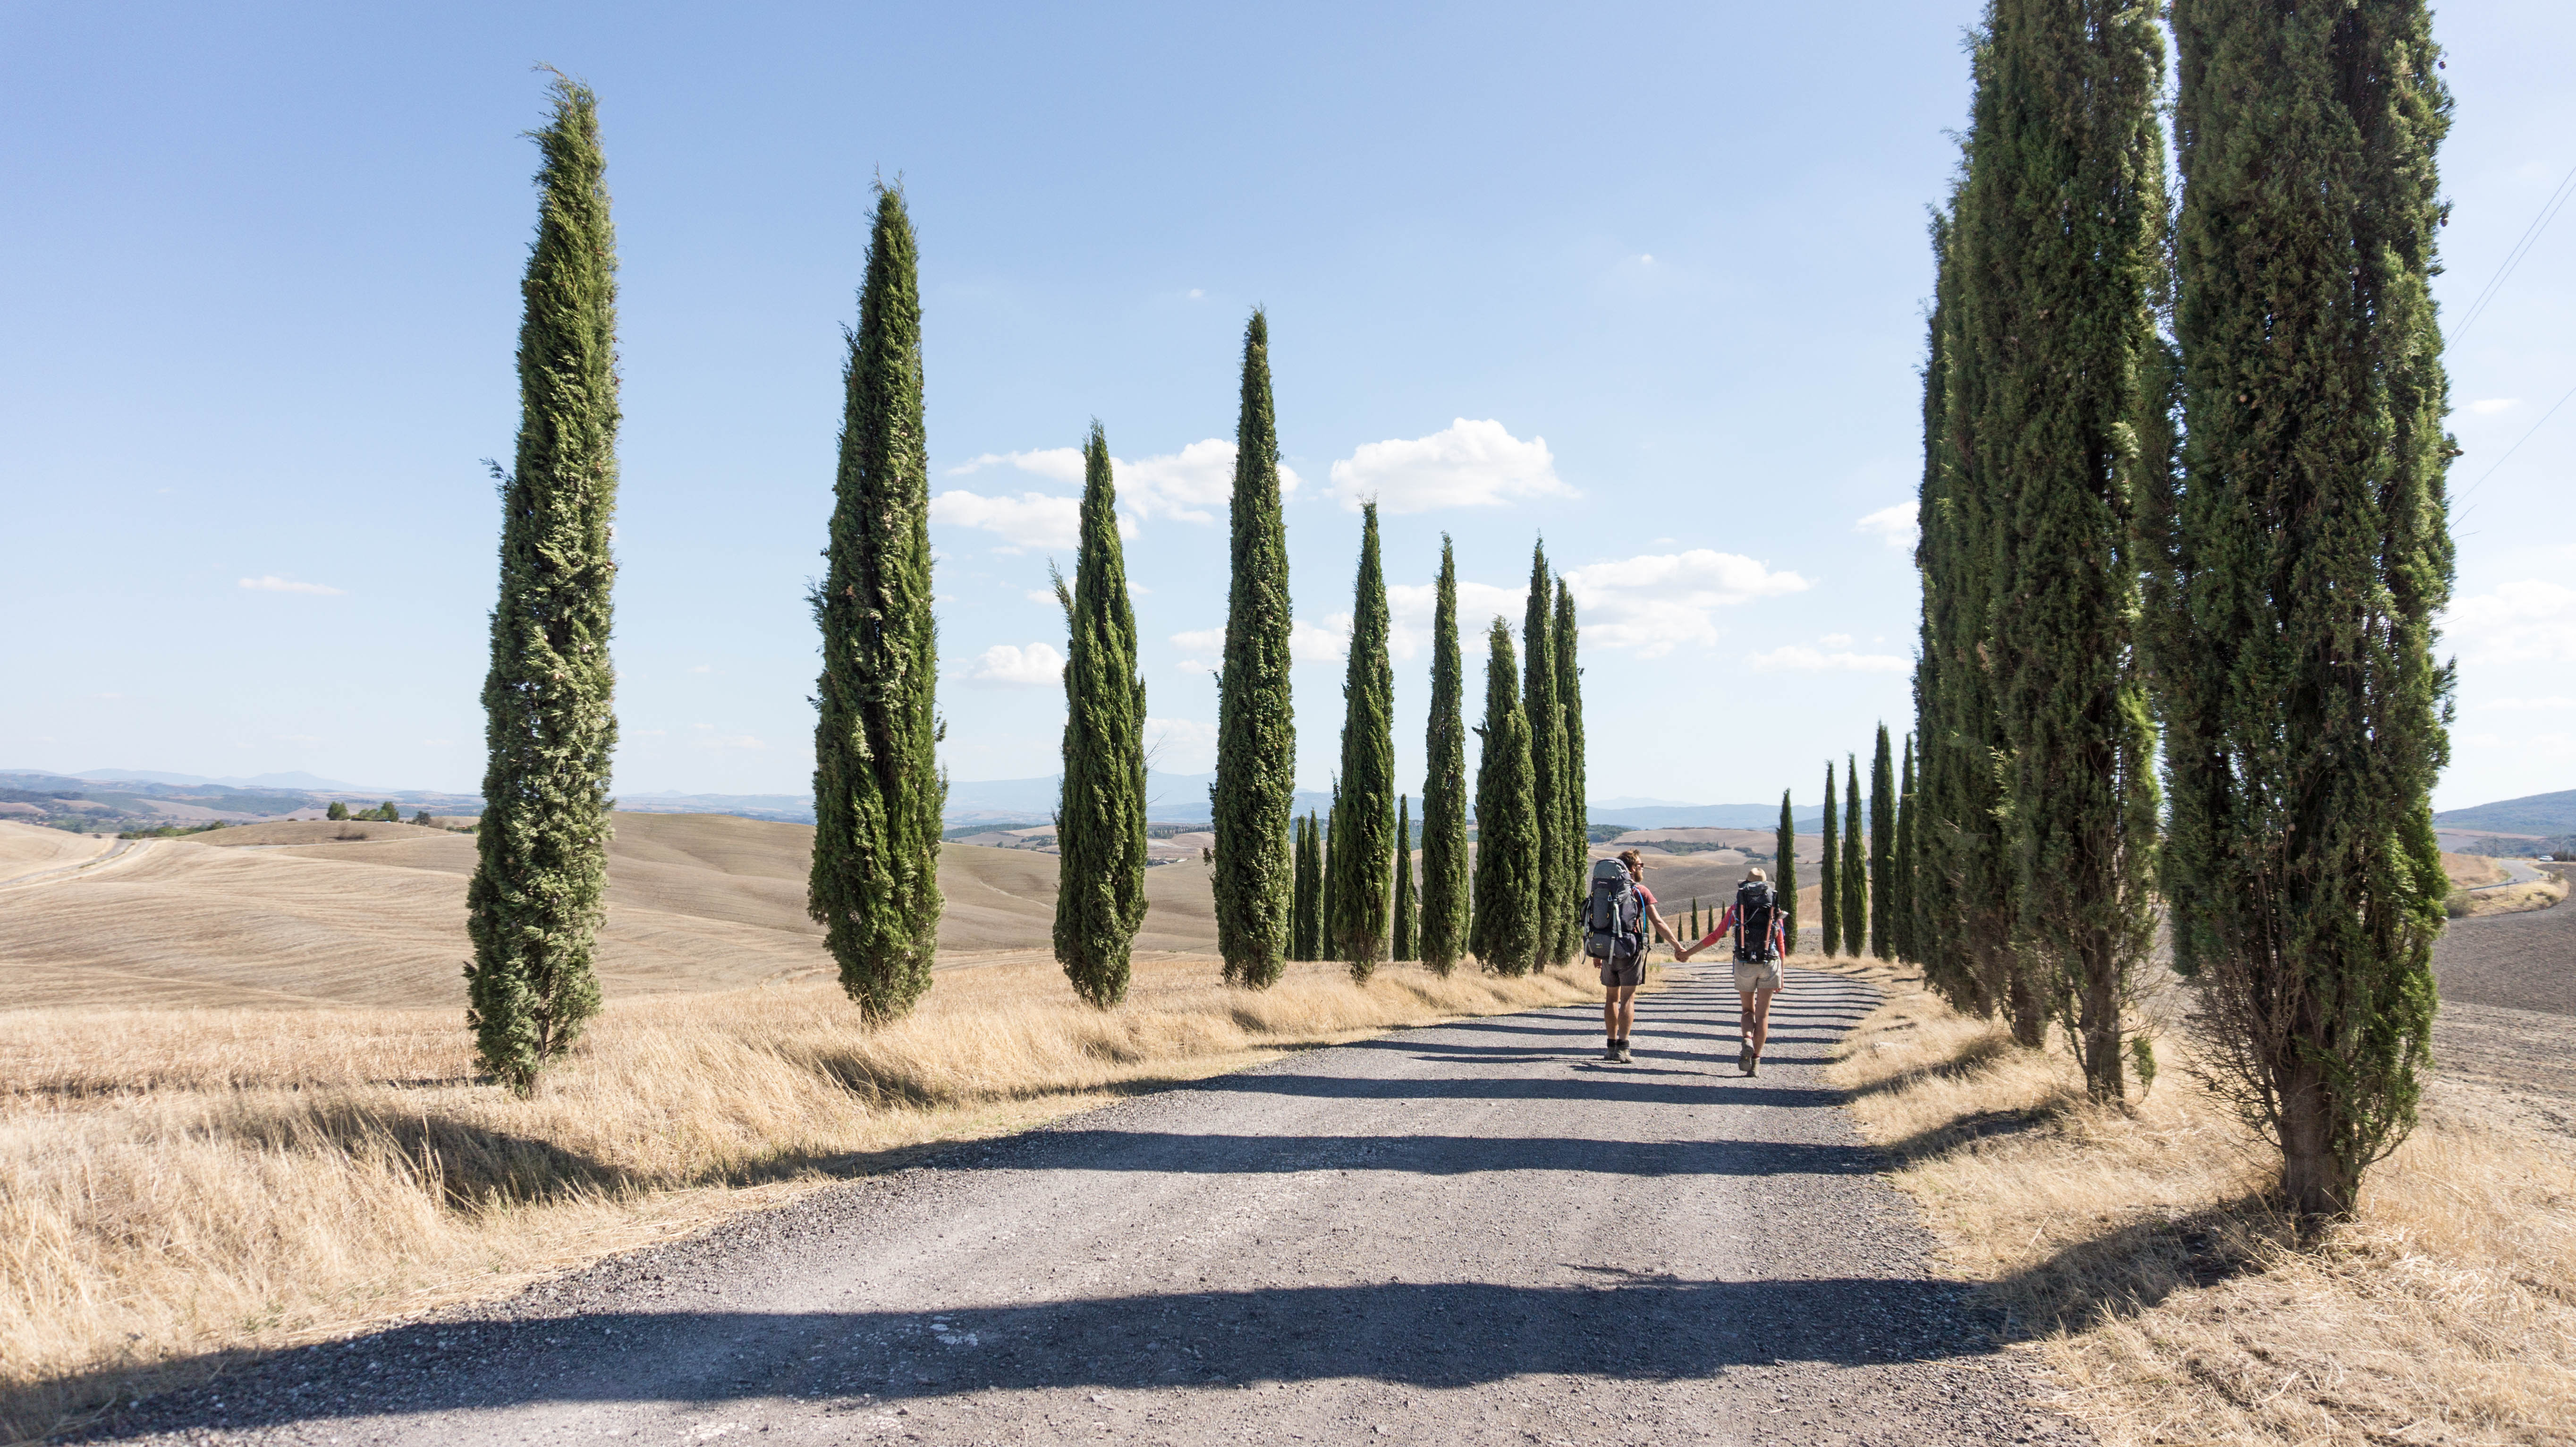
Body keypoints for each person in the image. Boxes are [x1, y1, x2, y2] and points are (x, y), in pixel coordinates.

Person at [1677, 866, 1788, 1076]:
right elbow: (1781, 941)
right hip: (1770, 963)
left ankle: (1747, 1038)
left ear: (1745, 885)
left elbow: (1715, 936)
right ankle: (1755, 1062)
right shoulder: (1774, 907)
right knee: (1763, 1015)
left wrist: (1688, 953)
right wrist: (1782, 972)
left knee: (1748, 1011)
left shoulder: (1738, 908)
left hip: (1744, 963)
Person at [1595, 849, 1684, 1063]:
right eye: (1641, 865)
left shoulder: (1604, 890)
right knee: (1627, 998)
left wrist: (1596, 953)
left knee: (1610, 999)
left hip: (1607, 950)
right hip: (1629, 950)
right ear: (1633, 868)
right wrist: (1677, 946)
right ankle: (1623, 1048)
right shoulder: (1640, 891)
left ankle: (1610, 1047)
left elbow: (1596, 920)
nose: (1643, 868)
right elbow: (1658, 923)